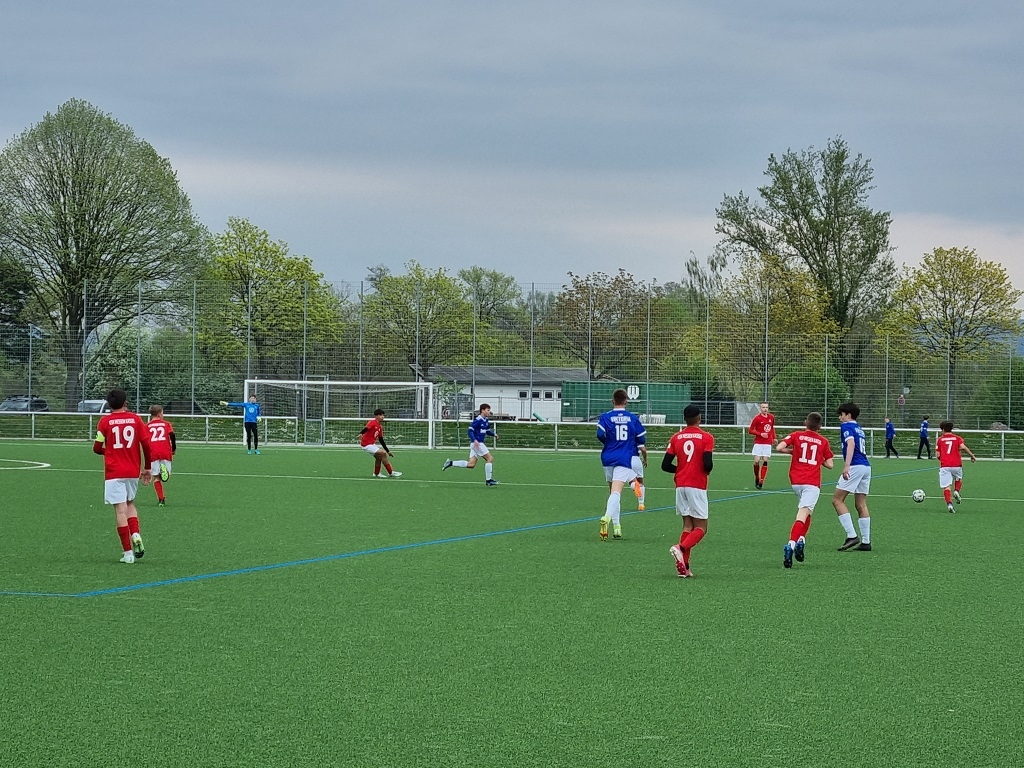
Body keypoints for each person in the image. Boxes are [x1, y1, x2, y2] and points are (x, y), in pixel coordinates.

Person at [92, 388, 152, 564]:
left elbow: (97, 448)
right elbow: (146, 444)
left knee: (120, 510)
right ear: (126, 403)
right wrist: (148, 468)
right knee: (130, 503)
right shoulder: (135, 419)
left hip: (114, 472)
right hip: (132, 471)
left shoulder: (105, 421)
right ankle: (136, 534)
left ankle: (128, 553)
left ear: (109, 405)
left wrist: (109, 451)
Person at [776, 412, 835, 568]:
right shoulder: (823, 441)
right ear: (820, 427)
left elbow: (779, 447)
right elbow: (830, 465)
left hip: (796, 481)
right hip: (811, 482)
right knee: (802, 515)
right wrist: (819, 459)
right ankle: (791, 545)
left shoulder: (796, 435)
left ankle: (801, 540)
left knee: (808, 512)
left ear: (805, 423)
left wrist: (792, 451)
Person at [663, 404, 715, 578]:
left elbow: (665, 465)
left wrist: (681, 469)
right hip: (697, 485)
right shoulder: (706, 437)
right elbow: (708, 464)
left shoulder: (676, 437)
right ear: (699, 418)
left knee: (687, 525)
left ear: (685, 419)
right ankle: (681, 548)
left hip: (681, 485)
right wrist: (704, 470)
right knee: (701, 527)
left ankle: (684, 567)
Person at [595, 388, 646, 540]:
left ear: (613, 401)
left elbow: (599, 434)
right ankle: (607, 517)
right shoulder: (632, 418)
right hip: (623, 457)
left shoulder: (605, 417)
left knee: (613, 492)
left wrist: (609, 443)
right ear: (626, 401)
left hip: (607, 456)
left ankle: (617, 527)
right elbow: (641, 439)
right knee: (616, 493)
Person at [832, 402, 872, 552]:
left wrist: (847, 465)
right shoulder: (859, 428)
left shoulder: (846, 426)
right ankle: (866, 541)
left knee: (837, 500)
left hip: (855, 466)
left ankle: (851, 536)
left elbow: (851, 444)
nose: (840, 417)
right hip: (866, 467)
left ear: (848, 415)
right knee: (861, 504)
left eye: (841, 414)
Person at [442, 404, 499, 486]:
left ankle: (451, 463)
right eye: (488, 410)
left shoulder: (485, 420)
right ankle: (489, 480)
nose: (489, 412)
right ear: (482, 410)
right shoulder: (478, 420)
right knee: (490, 458)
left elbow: (487, 431)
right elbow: (470, 431)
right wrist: (475, 440)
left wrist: (494, 434)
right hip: (478, 444)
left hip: (476, 444)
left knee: (471, 464)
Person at [936, 421, 977, 514]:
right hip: (957, 465)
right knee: (958, 478)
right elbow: (963, 447)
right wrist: (972, 456)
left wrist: (943, 459)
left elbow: (938, 455)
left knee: (946, 486)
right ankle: (957, 491)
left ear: (943, 429)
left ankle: (949, 504)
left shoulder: (940, 440)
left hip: (945, 466)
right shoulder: (957, 438)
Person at [147, 405, 176, 506]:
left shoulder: (147, 426)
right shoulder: (166, 424)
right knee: (165, 477)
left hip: (153, 453)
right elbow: (172, 435)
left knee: (156, 478)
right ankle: (164, 471)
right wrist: (173, 448)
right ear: (159, 414)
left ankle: (161, 500)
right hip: (165, 451)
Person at [360, 408, 402, 478]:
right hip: (366, 444)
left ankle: (376, 474)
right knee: (382, 453)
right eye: (380, 415)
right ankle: (391, 472)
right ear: (376, 416)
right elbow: (366, 428)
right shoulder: (372, 422)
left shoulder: (380, 427)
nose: (382, 417)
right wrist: (361, 433)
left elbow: (381, 440)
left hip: (371, 444)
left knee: (379, 457)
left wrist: (388, 451)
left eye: (383, 415)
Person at [748, 401, 776, 489]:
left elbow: (772, 428)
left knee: (765, 460)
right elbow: (750, 430)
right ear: (760, 409)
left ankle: (761, 481)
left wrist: (774, 438)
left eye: (766, 407)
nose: (765, 409)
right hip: (759, 442)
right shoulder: (757, 418)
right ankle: (757, 477)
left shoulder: (771, 417)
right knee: (756, 461)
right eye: (763, 407)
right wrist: (760, 434)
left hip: (767, 442)